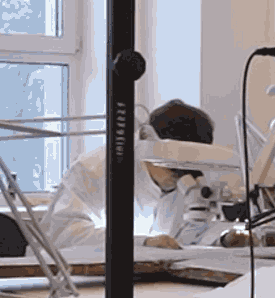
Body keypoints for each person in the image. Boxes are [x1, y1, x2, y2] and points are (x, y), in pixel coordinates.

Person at [41, 99, 219, 252]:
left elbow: (182, 238)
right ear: (149, 144)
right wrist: (142, 243)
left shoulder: (182, 181)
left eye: (190, 170)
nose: (181, 178)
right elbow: (63, 236)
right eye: (175, 169)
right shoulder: (95, 170)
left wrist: (221, 239)